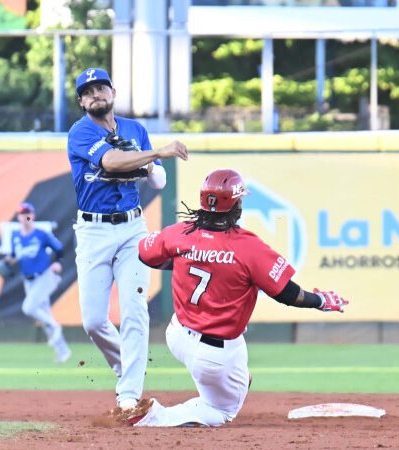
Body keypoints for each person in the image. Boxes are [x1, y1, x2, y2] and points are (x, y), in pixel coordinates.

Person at [129, 168, 349, 427]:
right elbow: (287, 294)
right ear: (234, 205)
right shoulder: (247, 246)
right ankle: (155, 416)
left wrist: (186, 260)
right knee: (221, 411)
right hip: (214, 353)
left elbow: (145, 255)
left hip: (177, 334)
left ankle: (234, 378)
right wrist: (320, 301)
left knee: (237, 373)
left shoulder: (180, 232)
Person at [67, 67, 189, 411]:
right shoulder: (80, 132)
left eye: (100, 87)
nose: (95, 94)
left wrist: (150, 164)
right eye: (88, 91)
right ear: (81, 101)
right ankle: (127, 369)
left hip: (132, 229)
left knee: (135, 309)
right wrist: (155, 153)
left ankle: (129, 395)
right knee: (93, 321)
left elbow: (159, 183)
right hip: (93, 230)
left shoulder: (135, 129)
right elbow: (111, 161)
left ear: (113, 92)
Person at [6, 202, 71, 363]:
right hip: (28, 281)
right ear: (18, 217)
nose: (25, 216)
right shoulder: (15, 236)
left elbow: (60, 250)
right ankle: (63, 351)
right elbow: (14, 256)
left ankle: (56, 326)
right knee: (44, 315)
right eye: (21, 214)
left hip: (45, 276)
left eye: (27, 213)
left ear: (33, 216)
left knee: (29, 308)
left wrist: (59, 263)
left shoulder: (41, 234)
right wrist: (7, 262)